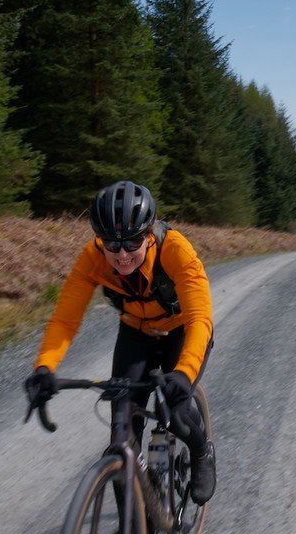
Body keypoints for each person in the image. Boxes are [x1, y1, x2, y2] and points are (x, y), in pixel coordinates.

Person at [24, 180, 216, 504]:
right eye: (111, 244)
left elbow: (200, 319)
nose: (122, 254)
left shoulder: (175, 250)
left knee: (176, 413)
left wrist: (184, 372)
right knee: (121, 435)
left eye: (131, 242)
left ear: (148, 233)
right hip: (136, 333)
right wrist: (45, 366)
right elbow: (65, 319)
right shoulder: (93, 257)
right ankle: (134, 528)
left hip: (180, 332)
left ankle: (201, 453)